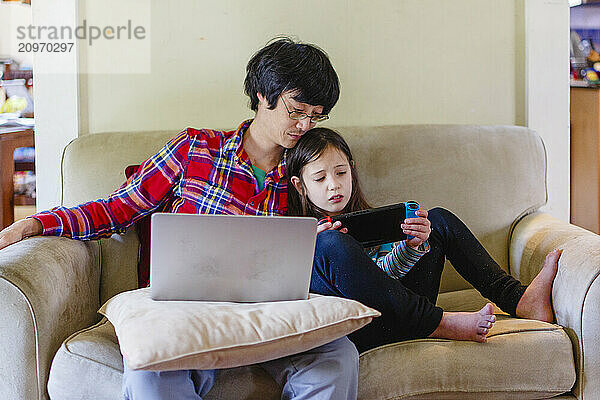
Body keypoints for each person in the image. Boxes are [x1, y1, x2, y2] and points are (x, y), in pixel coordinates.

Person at [0, 38, 359, 400]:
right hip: (187, 309)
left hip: (269, 312)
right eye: (296, 110)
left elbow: (338, 242)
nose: (304, 125)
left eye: (315, 116)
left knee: (339, 356)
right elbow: (118, 209)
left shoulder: (309, 171)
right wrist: (36, 223)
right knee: (150, 373)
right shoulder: (195, 149)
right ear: (264, 96)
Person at [285, 127, 563, 353]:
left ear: (352, 170)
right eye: (320, 178)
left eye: (341, 173)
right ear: (301, 186)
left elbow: (383, 280)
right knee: (331, 244)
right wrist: (313, 250)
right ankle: (440, 323)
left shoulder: (369, 222)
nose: (333, 184)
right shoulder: (303, 238)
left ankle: (519, 300)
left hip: (400, 313)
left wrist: (411, 248)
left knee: (438, 220)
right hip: (358, 327)